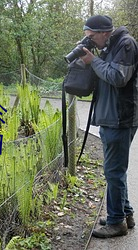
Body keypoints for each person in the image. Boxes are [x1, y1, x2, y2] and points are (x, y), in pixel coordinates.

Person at [80, 15, 138, 238]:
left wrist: (93, 61)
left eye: (92, 36)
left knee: (113, 171)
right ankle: (125, 214)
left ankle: (116, 223)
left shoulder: (126, 44)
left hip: (120, 118)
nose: (91, 41)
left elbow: (117, 77)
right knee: (115, 171)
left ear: (104, 32)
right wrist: (90, 60)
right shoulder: (109, 46)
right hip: (110, 117)